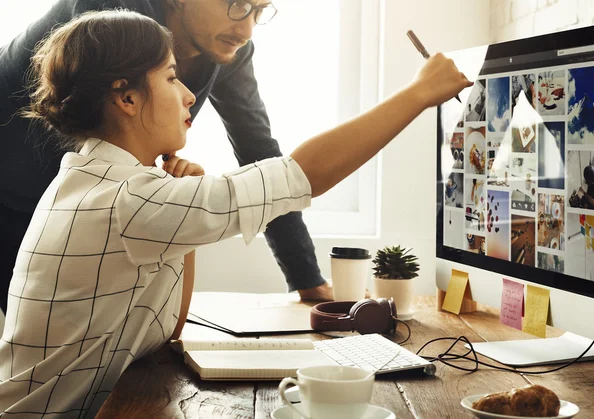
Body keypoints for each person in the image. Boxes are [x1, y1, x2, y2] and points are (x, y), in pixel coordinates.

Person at [0, 10, 470, 416]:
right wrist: (418, 94)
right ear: (126, 98)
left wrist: (181, 210)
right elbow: (301, 175)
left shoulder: (97, 178)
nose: (188, 95)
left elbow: (167, 329)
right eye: (169, 76)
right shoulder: (128, 199)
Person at [0, 0, 332, 315]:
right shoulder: (115, 23)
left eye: (259, 10)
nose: (246, 30)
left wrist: (308, 280)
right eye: (237, 4)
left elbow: (258, 149)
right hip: (19, 182)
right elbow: (100, 141)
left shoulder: (228, 47)